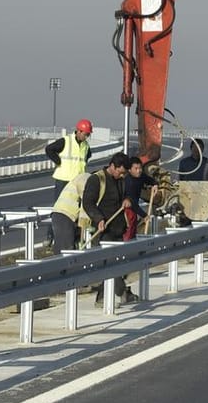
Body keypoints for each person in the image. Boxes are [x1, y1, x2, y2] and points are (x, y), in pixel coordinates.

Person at [80, 152, 138, 304]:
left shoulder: (122, 179)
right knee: (110, 262)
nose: (121, 175)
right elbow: (88, 203)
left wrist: (127, 200)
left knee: (115, 263)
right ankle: (122, 292)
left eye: (124, 173)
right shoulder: (97, 179)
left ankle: (101, 296)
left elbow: (129, 195)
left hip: (118, 227)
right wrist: (98, 219)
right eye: (120, 172)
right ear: (112, 166)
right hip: (103, 229)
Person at [44, 119, 92, 247]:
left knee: (75, 210)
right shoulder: (66, 141)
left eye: (88, 134)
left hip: (77, 183)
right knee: (59, 210)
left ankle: (73, 237)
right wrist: (58, 162)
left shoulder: (86, 146)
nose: (87, 136)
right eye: (85, 134)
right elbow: (49, 149)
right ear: (79, 131)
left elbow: (86, 158)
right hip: (63, 180)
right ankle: (51, 236)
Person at [122, 157, 157, 239]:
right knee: (129, 230)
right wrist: (144, 215)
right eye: (136, 168)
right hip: (127, 208)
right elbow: (132, 202)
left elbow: (149, 180)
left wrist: (155, 184)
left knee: (133, 229)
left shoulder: (140, 176)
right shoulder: (129, 182)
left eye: (140, 168)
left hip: (134, 207)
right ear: (130, 170)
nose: (139, 171)